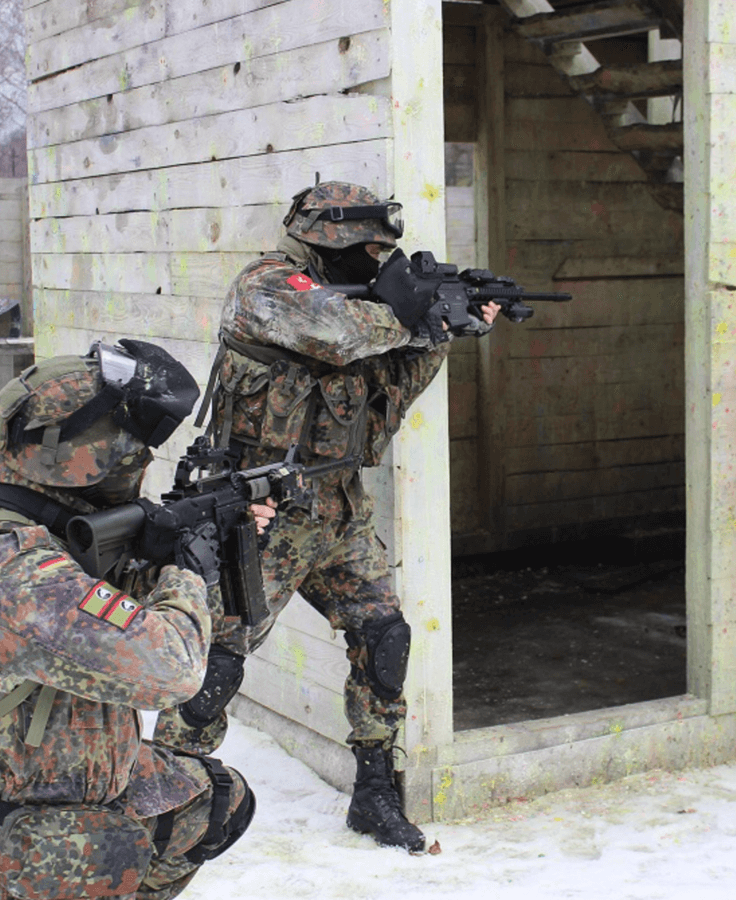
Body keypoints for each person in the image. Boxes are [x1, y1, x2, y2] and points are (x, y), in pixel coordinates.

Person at [148, 181, 498, 852]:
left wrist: (444, 329)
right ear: (325, 237)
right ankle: (170, 796)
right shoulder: (265, 287)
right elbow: (332, 334)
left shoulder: (365, 306)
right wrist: (415, 315)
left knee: (383, 637)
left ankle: (374, 792)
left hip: (338, 506)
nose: (375, 263)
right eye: (367, 250)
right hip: (261, 513)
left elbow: (392, 385)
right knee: (213, 662)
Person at [0, 340, 273, 900]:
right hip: (31, 839)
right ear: (83, 455)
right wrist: (185, 572)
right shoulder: (15, 572)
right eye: (130, 449)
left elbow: (85, 616)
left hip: (67, 777)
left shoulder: (18, 516)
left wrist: (167, 555)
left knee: (214, 799)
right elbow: (173, 672)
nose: (140, 462)